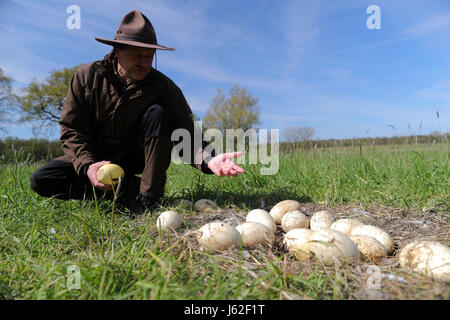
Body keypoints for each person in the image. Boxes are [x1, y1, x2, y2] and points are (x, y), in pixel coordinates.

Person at [30, 10, 244, 215]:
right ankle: (127, 191)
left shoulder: (164, 88)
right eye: (136, 55)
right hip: (95, 158)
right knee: (43, 179)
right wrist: (88, 165)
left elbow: (185, 134)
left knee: (159, 113)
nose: (144, 62)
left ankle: (148, 198)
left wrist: (209, 160)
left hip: (135, 156)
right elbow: (72, 129)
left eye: (149, 55)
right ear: (117, 50)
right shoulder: (86, 78)